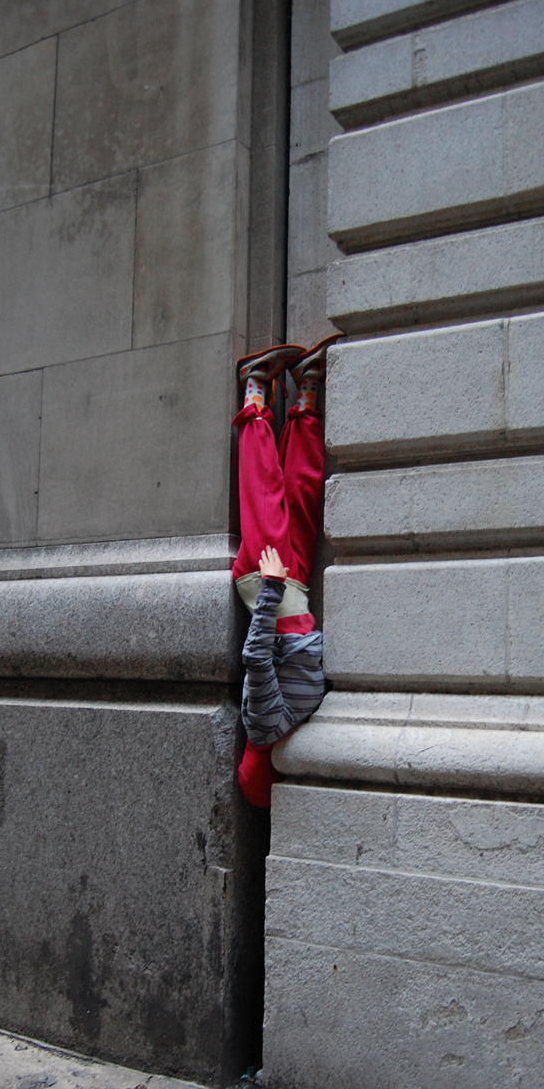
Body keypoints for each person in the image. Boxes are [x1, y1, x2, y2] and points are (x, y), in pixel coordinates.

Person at [231, 338, 338, 808]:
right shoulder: (294, 728)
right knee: (302, 493)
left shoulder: (264, 727)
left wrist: (271, 586)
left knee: (265, 489)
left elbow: (256, 657)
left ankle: (255, 389)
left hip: (270, 586)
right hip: (293, 596)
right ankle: (306, 393)